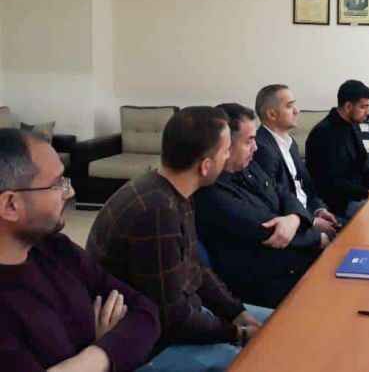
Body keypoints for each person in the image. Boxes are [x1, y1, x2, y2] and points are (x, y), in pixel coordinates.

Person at [86, 107, 271, 372]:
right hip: (151, 344)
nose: (229, 155)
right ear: (205, 166)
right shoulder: (157, 211)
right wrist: (236, 333)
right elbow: (173, 319)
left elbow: (196, 268)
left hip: (184, 317)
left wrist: (235, 312)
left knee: (279, 323)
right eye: (226, 150)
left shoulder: (173, 189)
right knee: (266, 359)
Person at [0, 129, 160, 372]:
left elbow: (145, 312)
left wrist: (93, 358)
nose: (70, 192)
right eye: (57, 184)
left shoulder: (56, 248)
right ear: (10, 205)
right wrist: (112, 345)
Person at [194, 103, 330, 308]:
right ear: (226, 145)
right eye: (249, 141)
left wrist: (293, 218)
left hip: (295, 262)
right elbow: (270, 231)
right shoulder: (211, 192)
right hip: (268, 284)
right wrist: (318, 238)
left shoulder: (247, 166)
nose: (256, 148)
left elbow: (284, 193)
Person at [253, 84, 340, 232]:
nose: (297, 110)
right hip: (294, 225)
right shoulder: (262, 148)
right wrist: (312, 222)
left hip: (308, 214)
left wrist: (319, 210)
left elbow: (306, 187)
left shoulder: (290, 143)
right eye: (289, 106)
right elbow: (274, 201)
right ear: (272, 114)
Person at [306, 80, 369, 218]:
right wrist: (366, 193)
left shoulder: (352, 124)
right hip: (338, 204)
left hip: (357, 194)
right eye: (364, 107)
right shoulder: (323, 134)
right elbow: (330, 182)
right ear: (348, 106)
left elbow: (360, 164)